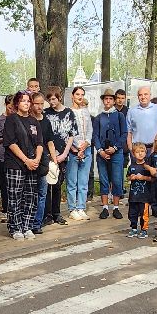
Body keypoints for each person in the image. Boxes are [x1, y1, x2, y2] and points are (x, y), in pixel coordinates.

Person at [3, 92, 43, 239]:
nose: (26, 103)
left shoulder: (34, 121)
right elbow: (11, 143)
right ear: (17, 104)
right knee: (15, 196)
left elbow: (39, 143)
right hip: (16, 164)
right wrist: (25, 160)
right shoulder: (11, 119)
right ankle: (15, 227)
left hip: (32, 164)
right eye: (23, 101)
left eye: (28, 101)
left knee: (31, 196)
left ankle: (27, 225)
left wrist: (37, 159)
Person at [41, 87, 76, 227]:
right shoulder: (45, 113)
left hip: (63, 153)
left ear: (59, 98)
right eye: (49, 100)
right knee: (47, 183)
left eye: (53, 99)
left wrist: (65, 154)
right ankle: (47, 214)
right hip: (48, 154)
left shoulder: (68, 113)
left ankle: (56, 213)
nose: (51, 102)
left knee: (57, 184)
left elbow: (72, 134)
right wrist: (49, 154)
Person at [31, 92, 63, 234]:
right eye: (36, 103)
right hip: (30, 160)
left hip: (44, 161)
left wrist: (55, 161)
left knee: (42, 192)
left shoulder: (46, 121)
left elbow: (50, 142)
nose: (39, 106)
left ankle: (38, 222)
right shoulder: (28, 120)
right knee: (31, 193)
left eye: (41, 103)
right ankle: (29, 220)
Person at [92, 89, 126, 220]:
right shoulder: (99, 117)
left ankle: (116, 207)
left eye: (110, 99)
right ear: (103, 100)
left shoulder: (119, 116)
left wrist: (115, 147)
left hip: (116, 152)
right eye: (106, 99)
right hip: (102, 153)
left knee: (117, 179)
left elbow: (124, 134)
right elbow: (95, 135)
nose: (108, 101)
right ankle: (105, 207)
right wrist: (100, 150)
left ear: (114, 100)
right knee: (104, 179)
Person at [65, 86, 93, 221]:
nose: (80, 96)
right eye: (77, 94)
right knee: (72, 181)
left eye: (82, 94)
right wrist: (76, 147)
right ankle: (72, 208)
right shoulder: (68, 112)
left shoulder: (86, 112)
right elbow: (67, 132)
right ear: (72, 95)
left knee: (83, 181)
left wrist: (86, 144)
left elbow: (90, 130)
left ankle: (81, 207)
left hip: (86, 149)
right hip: (73, 150)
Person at [123, 142, 155, 239]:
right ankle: (133, 228)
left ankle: (144, 229)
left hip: (144, 196)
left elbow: (152, 179)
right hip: (133, 195)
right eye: (137, 152)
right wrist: (131, 177)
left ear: (146, 152)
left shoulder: (147, 166)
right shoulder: (132, 166)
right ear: (133, 153)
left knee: (144, 214)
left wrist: (143, 177)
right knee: (132, 213)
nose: (140, 154)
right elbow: (127, 177)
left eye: (142, 151)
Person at [126, 84, 157, 153]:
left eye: (145, 94)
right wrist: (131, 148)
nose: (143, 97)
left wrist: (156, 147)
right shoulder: (131, 111)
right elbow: (129, 131)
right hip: (137, 149)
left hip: (154, 148)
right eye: (140, 95)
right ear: (138, 97)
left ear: (150, 95)